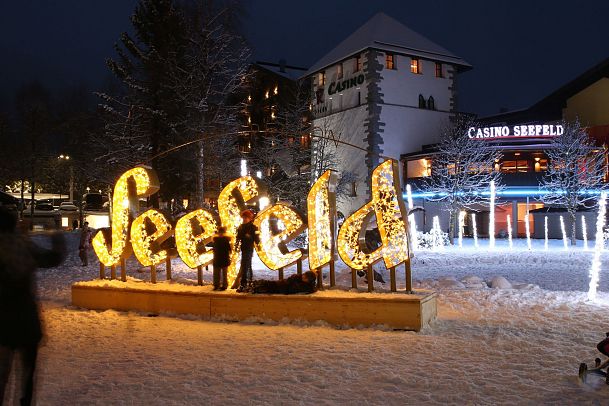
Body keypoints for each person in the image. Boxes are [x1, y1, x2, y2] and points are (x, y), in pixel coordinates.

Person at [0, 206, 65, 405]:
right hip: (27, 324)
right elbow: (54, 257)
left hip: (2, 325)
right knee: (27, 379)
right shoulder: (24, 246)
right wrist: (55, 233)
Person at [235, 209, 260, 292]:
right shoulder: (241, 227)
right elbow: (238, 237)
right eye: (244, 218)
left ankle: (244, 284)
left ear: (250, 218)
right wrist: (236, 245)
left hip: (249, 248)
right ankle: (248, 283)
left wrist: (252, 238)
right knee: (246, 265)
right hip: (244, 248)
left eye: (246, 218)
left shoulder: (253, 227)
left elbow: (257, 239)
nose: (244, 219)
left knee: (245, 265)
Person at [212, 226, 231, 290]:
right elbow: (229, 249)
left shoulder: (225, 240)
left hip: (223, 258)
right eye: (220, 232)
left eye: (222, 232)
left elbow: (228, 249)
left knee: (223, 274)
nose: (221, 234)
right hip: (219, 258)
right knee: (217, 273)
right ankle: (217, 285)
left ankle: (223, 285)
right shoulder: (217, 240)